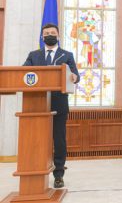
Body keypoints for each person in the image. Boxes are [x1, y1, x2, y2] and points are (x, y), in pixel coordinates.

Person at [23, 23, 80, 188]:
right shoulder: (34, 55)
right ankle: (36, 171)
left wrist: (74, 77)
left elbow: (75, 75)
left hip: (59, 104)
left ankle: (59, 174)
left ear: (58, 36)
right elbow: (23, 73)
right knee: (37, 140)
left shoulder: (66, 55)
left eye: (52, 33)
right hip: (37, 105)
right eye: (46, 33)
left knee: (59, 140)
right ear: (42, 37)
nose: (49, 35)